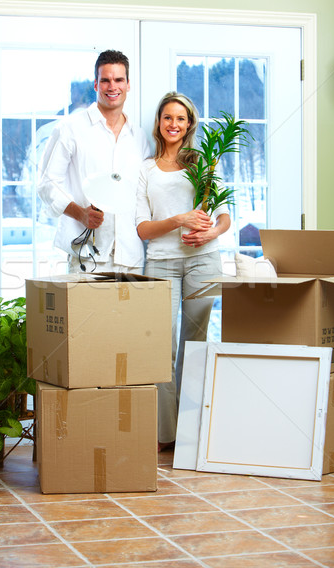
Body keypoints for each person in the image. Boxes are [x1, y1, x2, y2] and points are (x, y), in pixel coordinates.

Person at [136, 91, 231, 449]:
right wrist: (179, 220)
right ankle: (165, 433)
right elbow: (143, 229)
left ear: (189, 124)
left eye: (181, 118)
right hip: (161, 262)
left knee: (195, 344)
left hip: (203, 259)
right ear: (158, 124)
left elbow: (224, 215)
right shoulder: (145, 169)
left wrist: (212, 230)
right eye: (167, 118)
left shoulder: (204, 163)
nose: (173, 124)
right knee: (161, 346)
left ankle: (190, 433)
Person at [38, 50, 150, 274]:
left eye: (119, 80)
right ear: (96, 85)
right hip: (87, 256)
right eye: (105, 80)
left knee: (134, 311)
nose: (112, 87)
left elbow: (144, 192)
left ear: (128, 84)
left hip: (131, 256)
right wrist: (80, 213)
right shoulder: (70, 128)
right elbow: (47, 184)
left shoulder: (139, 136)